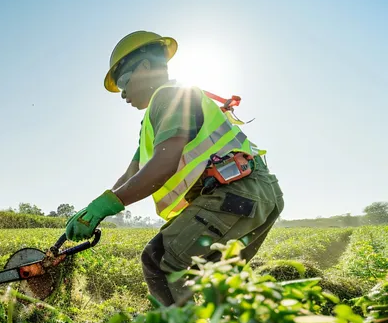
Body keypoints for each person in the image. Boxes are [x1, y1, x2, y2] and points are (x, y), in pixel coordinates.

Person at [65, 30, 284, 307]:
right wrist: (95, 209)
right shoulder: (154, 120)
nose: (122, 94)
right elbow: (133, 172)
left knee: (161, 260)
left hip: (237, 192)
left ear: (145, 67)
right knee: (217, 283)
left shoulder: (169, 96)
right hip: (252, 194)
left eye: (123, 81)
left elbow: (164, 164)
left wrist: (107, 206)